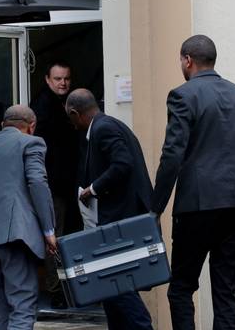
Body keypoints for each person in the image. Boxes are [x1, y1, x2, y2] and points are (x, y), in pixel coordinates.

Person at [151, 34, 235, 330]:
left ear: (187, 60)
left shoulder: (183, 95)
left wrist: (156, 208)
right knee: (226, 290)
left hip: (197, 204)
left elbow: (172, 154)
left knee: (181, 287)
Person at [0, 105, 57, 330]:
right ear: (31, 126)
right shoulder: (31, 142)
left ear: (3, 125)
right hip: (15, 235)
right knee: (22, 304)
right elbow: (37, 184)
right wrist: (48, 230)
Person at [67, 88, 154, 330]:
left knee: (115, 282)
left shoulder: (103, 128)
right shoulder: (110, 125)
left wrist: (92, 189)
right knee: (110, 287)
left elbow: (122, 164)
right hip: (122, 216)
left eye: (71, 118)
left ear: (75, 113)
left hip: (120, 219)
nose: (72, 125)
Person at [30, 60, 81, 308]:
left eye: (66, 78)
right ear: (48, 80)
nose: (63, 83)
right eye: (58, 79)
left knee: (63, 237)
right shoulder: (43, 108)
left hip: (67, 186)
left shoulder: (66, 103)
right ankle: (57, 291)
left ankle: (67, 287)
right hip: (53, 187)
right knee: (54, 239)